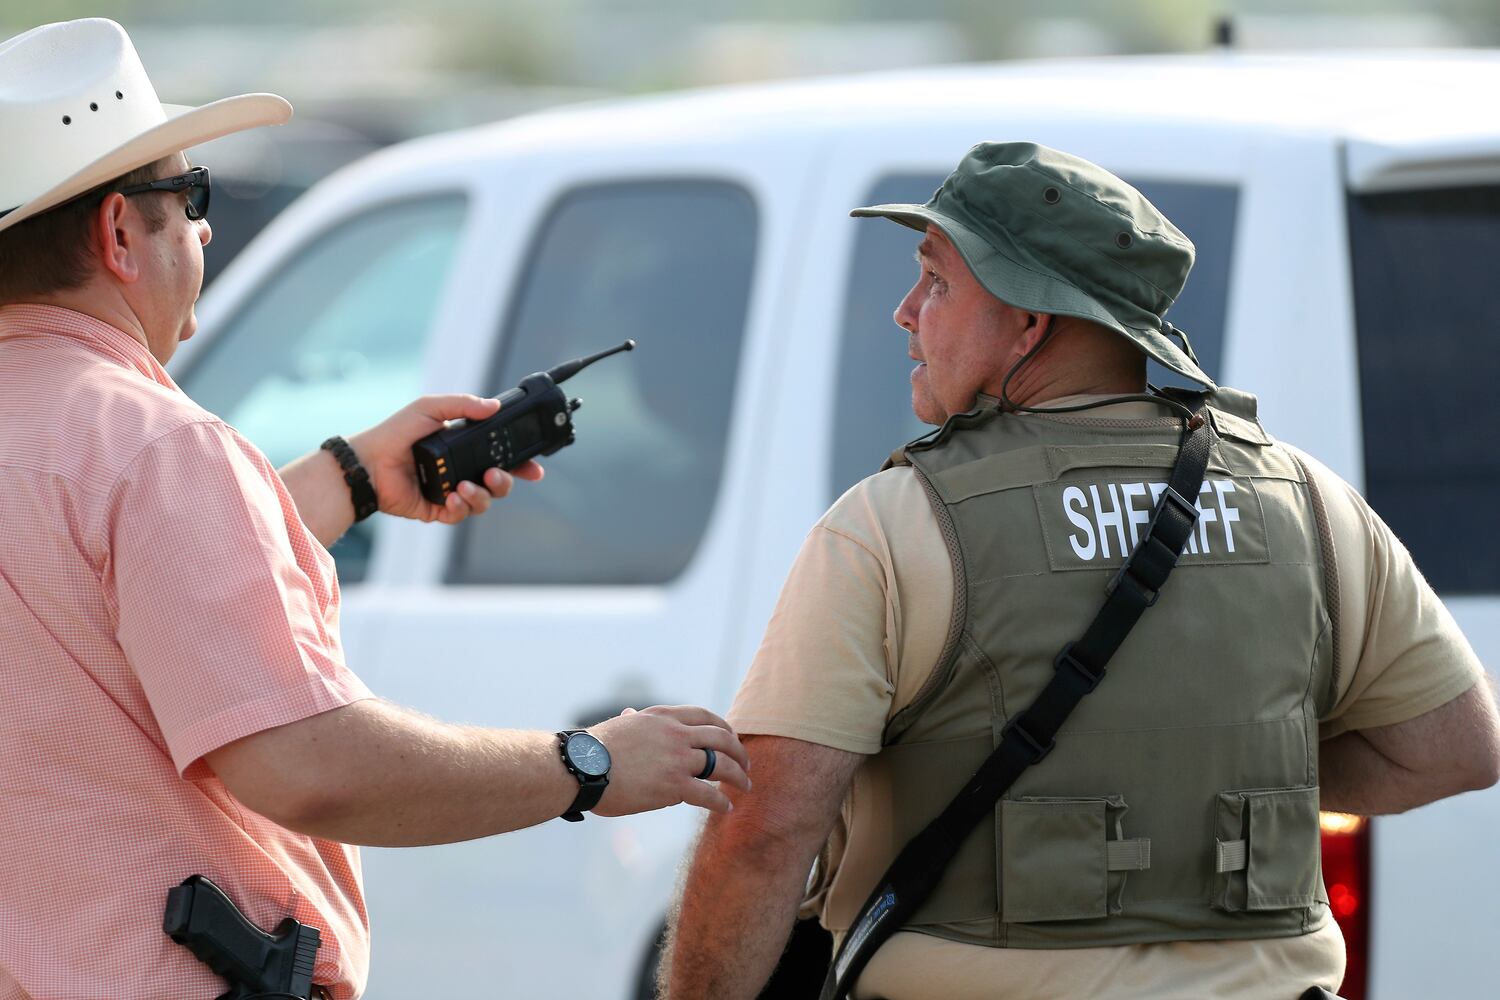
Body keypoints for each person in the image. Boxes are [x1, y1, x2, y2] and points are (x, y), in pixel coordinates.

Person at [0, 18, 747, 1000]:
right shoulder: (158, 447)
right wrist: (588, 763)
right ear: (116, 232)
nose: (207, 224)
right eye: (188, 195)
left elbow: (96, 594)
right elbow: (309, 765)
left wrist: (348, 478)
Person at [661, 141, 1500, 999]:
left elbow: (765, 835)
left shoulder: (894, 527)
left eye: (939, 282)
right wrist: (1203, 771)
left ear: (1031, 322)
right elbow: (1457, 748)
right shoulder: (1309, 502)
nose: (906, 312)